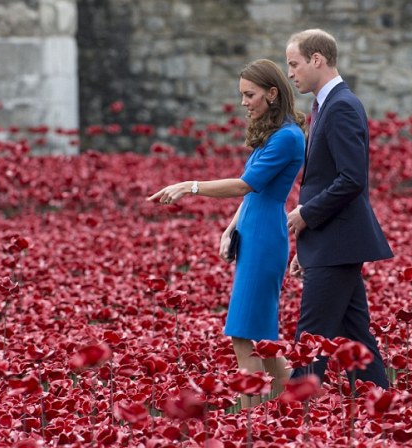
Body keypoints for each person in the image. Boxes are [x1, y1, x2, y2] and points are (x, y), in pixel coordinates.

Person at [148, 59, 305, 407]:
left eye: (250, 95)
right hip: (255, 232)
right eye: (242, 95)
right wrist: (232, 226)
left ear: (272, 93)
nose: (244, 102)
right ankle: (299, 401)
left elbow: (245, 185)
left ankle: (253, 420)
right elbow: (253, 191)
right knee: (260, 340)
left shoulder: (288, 138)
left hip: (265, 239)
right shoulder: (275, 136)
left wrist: (190, 186)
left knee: (244, 335)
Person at [284, 29, 392, 388]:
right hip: (331, 241)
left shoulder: (341, 105)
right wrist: (308, 239)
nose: (290, 73)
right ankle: (382, 403)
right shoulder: (325, 105)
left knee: (311, 337)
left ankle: (294, 416)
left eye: (294, 64)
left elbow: (351, 179)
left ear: (317, 60)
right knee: (357, 337)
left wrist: (306, 215)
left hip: (338, 242)